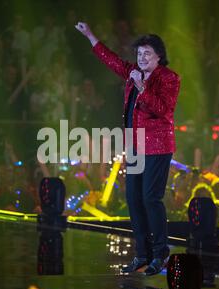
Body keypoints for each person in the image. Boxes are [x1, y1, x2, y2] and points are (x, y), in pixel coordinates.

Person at [75, 22, 180, 275]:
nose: (142, 58)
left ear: (158, 57)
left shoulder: (169, 78)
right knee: (133, 200)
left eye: (147, 54)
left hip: (157, 147)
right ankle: (142, 255)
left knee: (150, 199)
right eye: (139, 53)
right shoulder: (133, 72)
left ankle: (160, 253)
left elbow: (164, 110)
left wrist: (143, 88)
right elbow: (112, 61)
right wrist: (91, 36)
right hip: (135, 147)